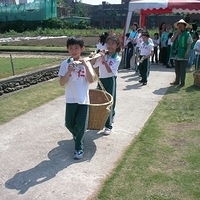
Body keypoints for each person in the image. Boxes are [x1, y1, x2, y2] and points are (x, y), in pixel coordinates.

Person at [58, 36, 95, 160]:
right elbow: (62, 83)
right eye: (71, 48)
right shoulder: (65, 64)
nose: (74, 51)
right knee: (69, 123)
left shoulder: (87, 63)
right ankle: (77, 135)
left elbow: (90, 80)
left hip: (83, 99)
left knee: (80, 124)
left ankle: (78, 148)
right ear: (67, 50)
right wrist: (68, 72)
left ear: (82, 49)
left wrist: (85, 65)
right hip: (71, 99)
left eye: (76, 48)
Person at [91, 35, 121, 135]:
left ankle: (108, 126)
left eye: (113, 44)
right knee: (100, 101)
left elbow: (110, 71)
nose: (110, 46)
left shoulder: (117, 58)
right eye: (108, 43)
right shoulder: (104, 54)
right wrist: (95, 57)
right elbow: (94, 65)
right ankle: (100, 121)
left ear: (117, 46)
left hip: (110, 80)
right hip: (101, 79)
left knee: (109, 101)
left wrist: (103, 59)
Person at [170, 19, 193, 87]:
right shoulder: (175, 33)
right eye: (179, 25)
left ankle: (182, 83)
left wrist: (187, 51)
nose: (180, 26)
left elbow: (189, 43)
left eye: (181, 25)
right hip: (176, 53)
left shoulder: (187, 34)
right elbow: (172, 40)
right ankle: (177, 81)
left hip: (183, 53)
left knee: (182, 69)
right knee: (177, 68)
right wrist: (177, 33)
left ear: (184, 26)